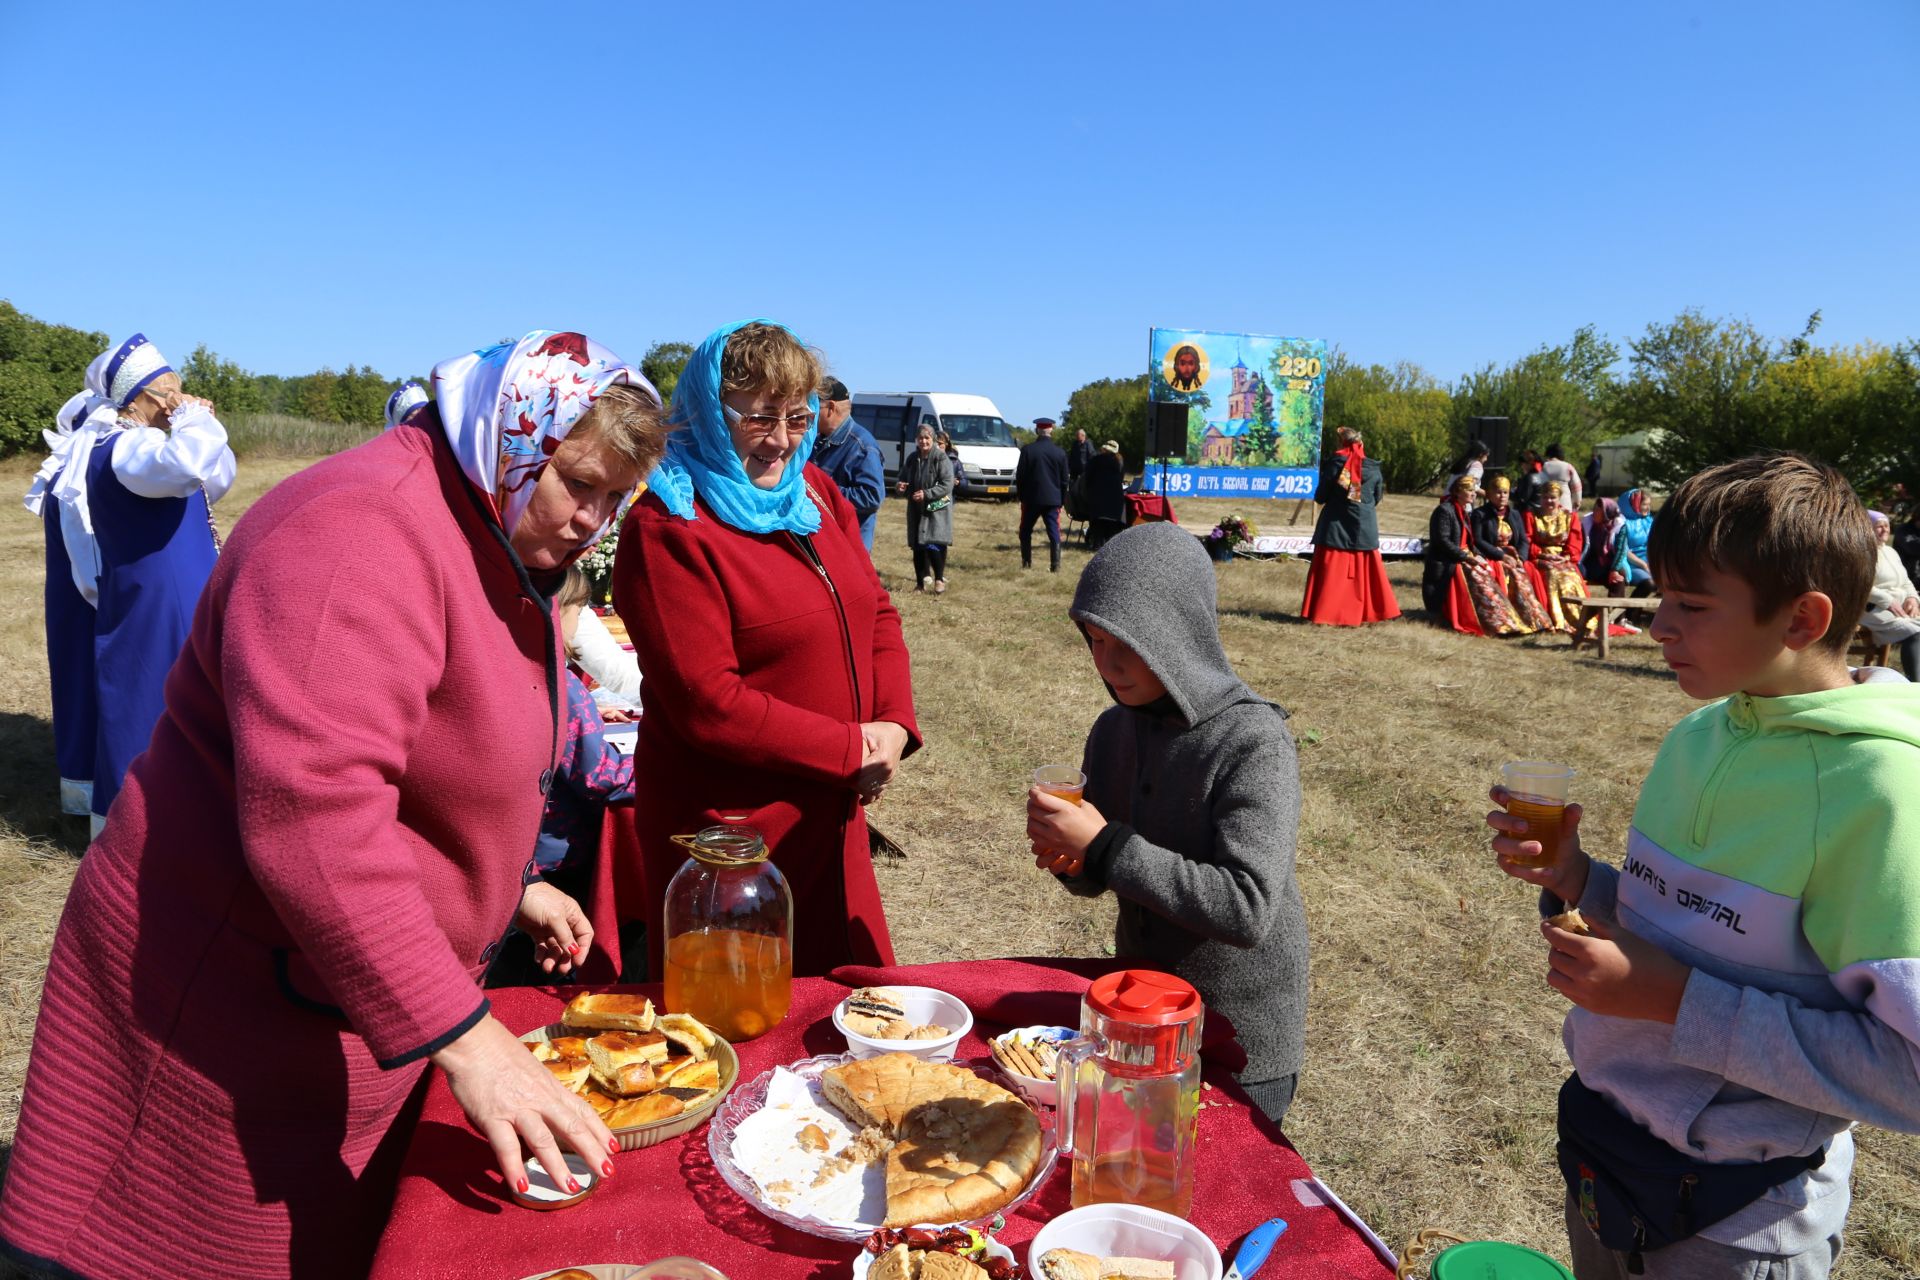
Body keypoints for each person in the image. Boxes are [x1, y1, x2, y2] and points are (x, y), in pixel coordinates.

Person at [0, 330, 667, 1277]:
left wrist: (500, 887)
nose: (593, 520)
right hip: (210, 1005)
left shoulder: (485, 524)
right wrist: (470, 1041)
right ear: (514, 438)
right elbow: (312, 814)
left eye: (614, 498)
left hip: (324, 997)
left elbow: (424, 755)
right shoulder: (360, 530)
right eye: (578, 483)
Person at [1486, 452, 1920, 1280]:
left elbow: (1909, 1071)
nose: (1657, 626)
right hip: (1610, 1156)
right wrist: (1577, 879)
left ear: (1800, 620)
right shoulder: (1702, 731)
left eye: (1690, 605)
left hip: (1739, 1219)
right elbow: (1680, 924)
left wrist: (1675, 1002)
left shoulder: (1884, 792)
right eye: (1661, 596)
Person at [613, 320, 919, 980]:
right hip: (736, 842)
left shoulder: (814, 493)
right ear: (708, 413)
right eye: (758, 418)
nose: (782, 439)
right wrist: (849, 749)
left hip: (831, 825)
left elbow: (877, 614)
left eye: (797, 416)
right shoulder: (670, 526)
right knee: (743, 1026)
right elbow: (708, 703)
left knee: (847, 1015)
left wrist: (892, 724)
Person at [1028, 523, 1307, 1124]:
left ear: (1177, 635)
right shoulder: (1113, 730)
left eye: (1129, 643)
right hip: (1143, 1016)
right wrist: (1073, 859)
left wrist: (1102, 844)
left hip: (1239, 1037)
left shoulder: (1252, 740)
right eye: (1095, 641)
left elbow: (1248, 907)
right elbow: (1109, 870)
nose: (1109, 662)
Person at [77, 334, 238, 835]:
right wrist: (195, 423)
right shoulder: (126, 446)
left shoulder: (155, 444)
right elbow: (188, 464)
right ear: (137, 398)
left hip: (182, 590)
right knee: (149, 697)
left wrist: (202, 424)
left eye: (179, 390)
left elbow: (217, 475)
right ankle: (135, 827)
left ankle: (191, 813)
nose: (177, 399)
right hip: (155, 599)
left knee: (196, 695)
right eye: (166, 391)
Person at [490, 568, 640, 989]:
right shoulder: (564, 687)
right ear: (557, 614)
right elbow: (601, 777)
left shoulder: (526, 673)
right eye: (579, 611)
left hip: (527, 852)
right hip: (563, 857)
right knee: (557, 948)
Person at [23, 388, 111, 816]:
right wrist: (112, 602)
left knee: (82, 689)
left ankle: (86, 792)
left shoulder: (69, 472)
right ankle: (91, 796)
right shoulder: (76, 478)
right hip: (85, 600)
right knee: (88, 690)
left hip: (74, 597)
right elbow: (87, 551)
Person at [1300, 426, 1401, 626]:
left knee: (1332, 575)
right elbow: (1377, 498)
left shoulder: (1334, 464)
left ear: (1341, 443)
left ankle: (1327, 612)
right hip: (1364, 528)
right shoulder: (1373, 468)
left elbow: (1321, 497)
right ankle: (1367, 612)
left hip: (1335, 527)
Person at [1423, 474, 1524, 636]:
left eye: (1474, 491)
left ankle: (1504, 621)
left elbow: (1470, 542)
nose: (1474, 494)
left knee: (1487, 572)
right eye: (1469, 490)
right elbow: (1442, 541)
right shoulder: (1444, 510)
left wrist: (1477, 556)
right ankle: (1492, 622)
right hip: (1448, 560)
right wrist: (1466, 557)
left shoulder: (1463, 511)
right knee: (1480, 579)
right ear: (1458, 492)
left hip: (1463, 556)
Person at [811, 376, 885, 553]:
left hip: (848, 548)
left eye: (814, 407)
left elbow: (872, 497)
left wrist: (823, 492)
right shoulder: (817, 442)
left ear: (830, 408)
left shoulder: (862, 447)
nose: (809, 414)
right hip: (824, 541)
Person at [1471, 475, 1548, 633]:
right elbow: (1478, 541)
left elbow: (1523, 540)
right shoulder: (1479, 515)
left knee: (1525, 571)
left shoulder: (1514, 514)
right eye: (1498, 492)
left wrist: (1521, 557)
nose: (1502, 496)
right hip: (1493, 556)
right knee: (1509, 574)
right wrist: (1501, 556)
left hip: (1514, 557)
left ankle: (1534, 620)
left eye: (1505, 492)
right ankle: (1507, 621)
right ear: (1490, 494)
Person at [1862, 510, 1920, 679]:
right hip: (1873, 608)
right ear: (1867, 528)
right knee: (1914, 632)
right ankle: (1916, 686)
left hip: (1900, 606)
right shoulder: (1862, 552)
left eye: (1886, 526)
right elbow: (1862, 585)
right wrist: (1888, 601)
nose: (1884, 530)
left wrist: (1913, 599)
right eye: (1878, 526)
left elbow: (1906, 581)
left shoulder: (1891, 552)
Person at [899, 421, 955, 593]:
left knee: (934, 544)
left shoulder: (941, 458)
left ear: (932, 439)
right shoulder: (912, 458)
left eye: (927, 438)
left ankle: (939, 579)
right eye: (920, 438)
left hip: (936, 508)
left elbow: (947, 484)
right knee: (917, 546)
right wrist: (900, 486)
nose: (923, 441)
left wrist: (927, 493)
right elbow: (902, 477)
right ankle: (919, 583)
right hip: (916, 508)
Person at [1525, 480, 1588, 633]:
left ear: (1559, 498)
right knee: (1552, 574)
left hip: (1562, 558)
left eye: (1553, 497)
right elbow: (1527, 540)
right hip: (1539, 558)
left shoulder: (1569, 517)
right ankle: (1557, 619)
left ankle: (1580, 618)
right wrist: (1542, 554)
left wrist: (1565, 557)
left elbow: (1575, 543)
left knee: (1570, 576)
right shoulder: (1532, 516)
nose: (1549, 501)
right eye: (1545, 497)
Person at [1015, 416, 1070, 571]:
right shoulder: (1060, 453)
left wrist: (1021, 496)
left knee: (1025, 531)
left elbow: (1020, 476)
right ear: (1051, 429)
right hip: (1052, 499)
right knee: (1054, 533)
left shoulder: (1027, 450)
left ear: (1037, 430)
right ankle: (1055, 565)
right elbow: (1064, 480)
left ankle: (1026, 563)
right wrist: (1061, 500)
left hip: (1031, 499)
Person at [1083, 439, 1128, 549]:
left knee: (1098, 526)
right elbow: (1121, 478)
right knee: (1112, 529)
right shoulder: (1119, 462)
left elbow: (1087, 478)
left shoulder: (1095, 460)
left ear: (1104, 449)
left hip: (1098, 499)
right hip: (1115, 500)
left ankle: (1097, 546)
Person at [1612, 487, 1655, 594]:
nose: (1648, 508)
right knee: (1649, 583)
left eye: (1649, 505)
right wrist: (1644, 565)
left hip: (1650, 564)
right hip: (1632, 565)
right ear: (1634, 504)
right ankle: (1631, 611)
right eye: (1644, 504)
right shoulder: (1622, 523)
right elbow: (1624, 551)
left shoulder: (1649, 521)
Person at [1582, 497, 1622, 588]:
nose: (1594, 513)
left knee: (1618, 579)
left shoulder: (1620, 525)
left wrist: (1614, 570)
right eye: (1594, 509)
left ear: (1606, 513)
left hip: (1611, 561)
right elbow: (1582, 548)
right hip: (1590, 561)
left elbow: (1621, 549)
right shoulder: (1587, 523)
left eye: (1597, 510)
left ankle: (1617, 602)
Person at [1542, 442, 1583, 512]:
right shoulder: (1568, 466)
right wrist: (1577, 501)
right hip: (1565, 503)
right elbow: (1576, 486)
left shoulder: (1543, 466)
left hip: (1546, 504)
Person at [938, 428, 966, 498]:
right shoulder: (926, 459)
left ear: (946, 444)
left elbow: (964, 482)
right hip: (929, 497)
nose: (938, 446)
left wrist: (958, 483)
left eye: (940, 444)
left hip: (946, 499)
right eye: (936, 443)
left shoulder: (954, 461)